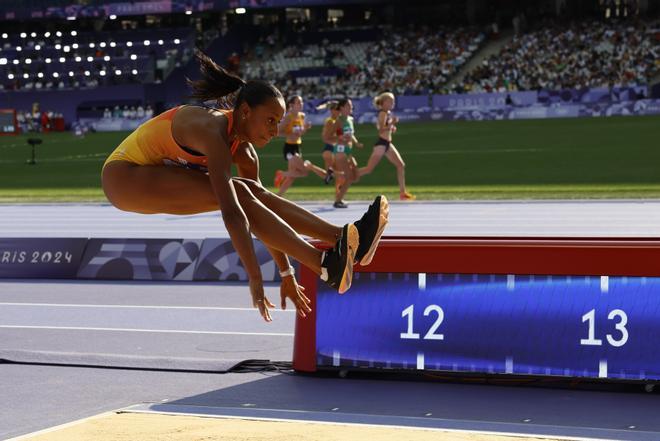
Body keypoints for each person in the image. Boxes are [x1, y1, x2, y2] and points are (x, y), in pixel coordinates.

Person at [101, 51, 389, 322]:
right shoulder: (211, 131)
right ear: (246, 112)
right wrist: (255, 277)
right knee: (238, 192)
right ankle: (323, 263)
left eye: (278, 123)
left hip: (156, 174)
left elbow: (261, 214)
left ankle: (344, 240)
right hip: (124, 177)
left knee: (253, 193)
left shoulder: (245, 153)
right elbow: (233, 214)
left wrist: (286, 271)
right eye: (270, 121)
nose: (275, 132)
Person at [358, 92, 415, 201]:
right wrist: (391, 124)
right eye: (390, 101)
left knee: (400, 165)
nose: (392, 103)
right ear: (383, 103)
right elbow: (380, 130)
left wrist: (391, 127)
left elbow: (385, 128)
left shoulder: (387, 113)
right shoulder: (383, 114)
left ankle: (403, 193)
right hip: (381, 144)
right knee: (369, 169)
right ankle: (346, 179)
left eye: (393, 101)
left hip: (387, 144)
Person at [273, 95, 330, 196]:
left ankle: (278, 196)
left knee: (292, 176)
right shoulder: (288, 117)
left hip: (297, 147)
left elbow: (300, 133)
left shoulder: (302, 116)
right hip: (289, 148)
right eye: (298, 102)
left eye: (302, 102)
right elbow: (277, 132)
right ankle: (281, 174)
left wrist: (305, 128)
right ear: (291, 105)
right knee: (304, 172)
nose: (301, 104)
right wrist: (289, 134)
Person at [332, 98, 362, 208]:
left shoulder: (350, 119)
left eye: (351, 106)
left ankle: (338, 184)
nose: (351, 108)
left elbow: (351, 134)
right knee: (350, 176)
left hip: (349, 151)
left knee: (356, 176)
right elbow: (332, 135)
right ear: (342, 108)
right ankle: (338, 200)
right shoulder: (339, 121)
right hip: (340, 150)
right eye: (348, 106)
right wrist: (341, 138)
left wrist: (356, 142)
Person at [317, 100, 339, 183]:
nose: (339, 112)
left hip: (334, 148)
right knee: (333, 175)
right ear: (332, 110)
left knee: (331, 176)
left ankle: (339, 194)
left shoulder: (337, 121)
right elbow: (325, 138)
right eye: (337, 109)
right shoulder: (330, 121)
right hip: (330, 149)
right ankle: (309, 166)